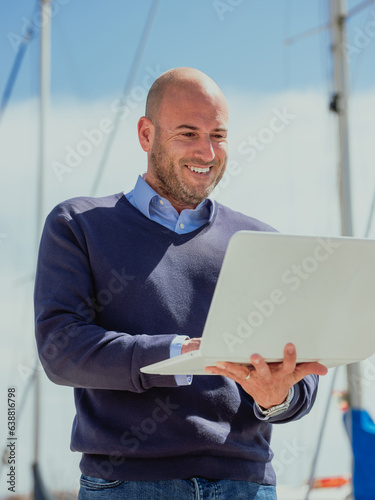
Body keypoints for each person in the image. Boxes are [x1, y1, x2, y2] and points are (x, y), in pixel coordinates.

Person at [34, 67, 327, 500]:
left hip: (247, 485)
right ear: (146, 134)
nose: (206, 151)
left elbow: (300, 377)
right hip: (128, 484)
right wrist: (179, 353)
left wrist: (277, 395)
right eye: (188, 133)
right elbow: (61, 349)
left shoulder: (263, 242)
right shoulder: (78, 225)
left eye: (219, 135)